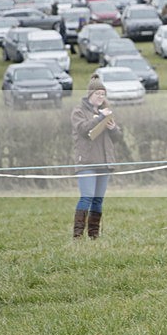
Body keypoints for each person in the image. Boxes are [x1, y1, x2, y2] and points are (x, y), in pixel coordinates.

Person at [70, 75, 123, 239]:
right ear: (89, 94)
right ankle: (77, 236)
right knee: (87, 197)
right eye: (98, 94)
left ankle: (94, 235)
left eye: (103, 94)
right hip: (86, 162)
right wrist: (99, 118)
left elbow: (117, 138)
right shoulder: (78, 111)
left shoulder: (107, 111)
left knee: (98, 200)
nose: (101, 97)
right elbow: (83, 130)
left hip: (104, 163)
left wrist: (113, 128)